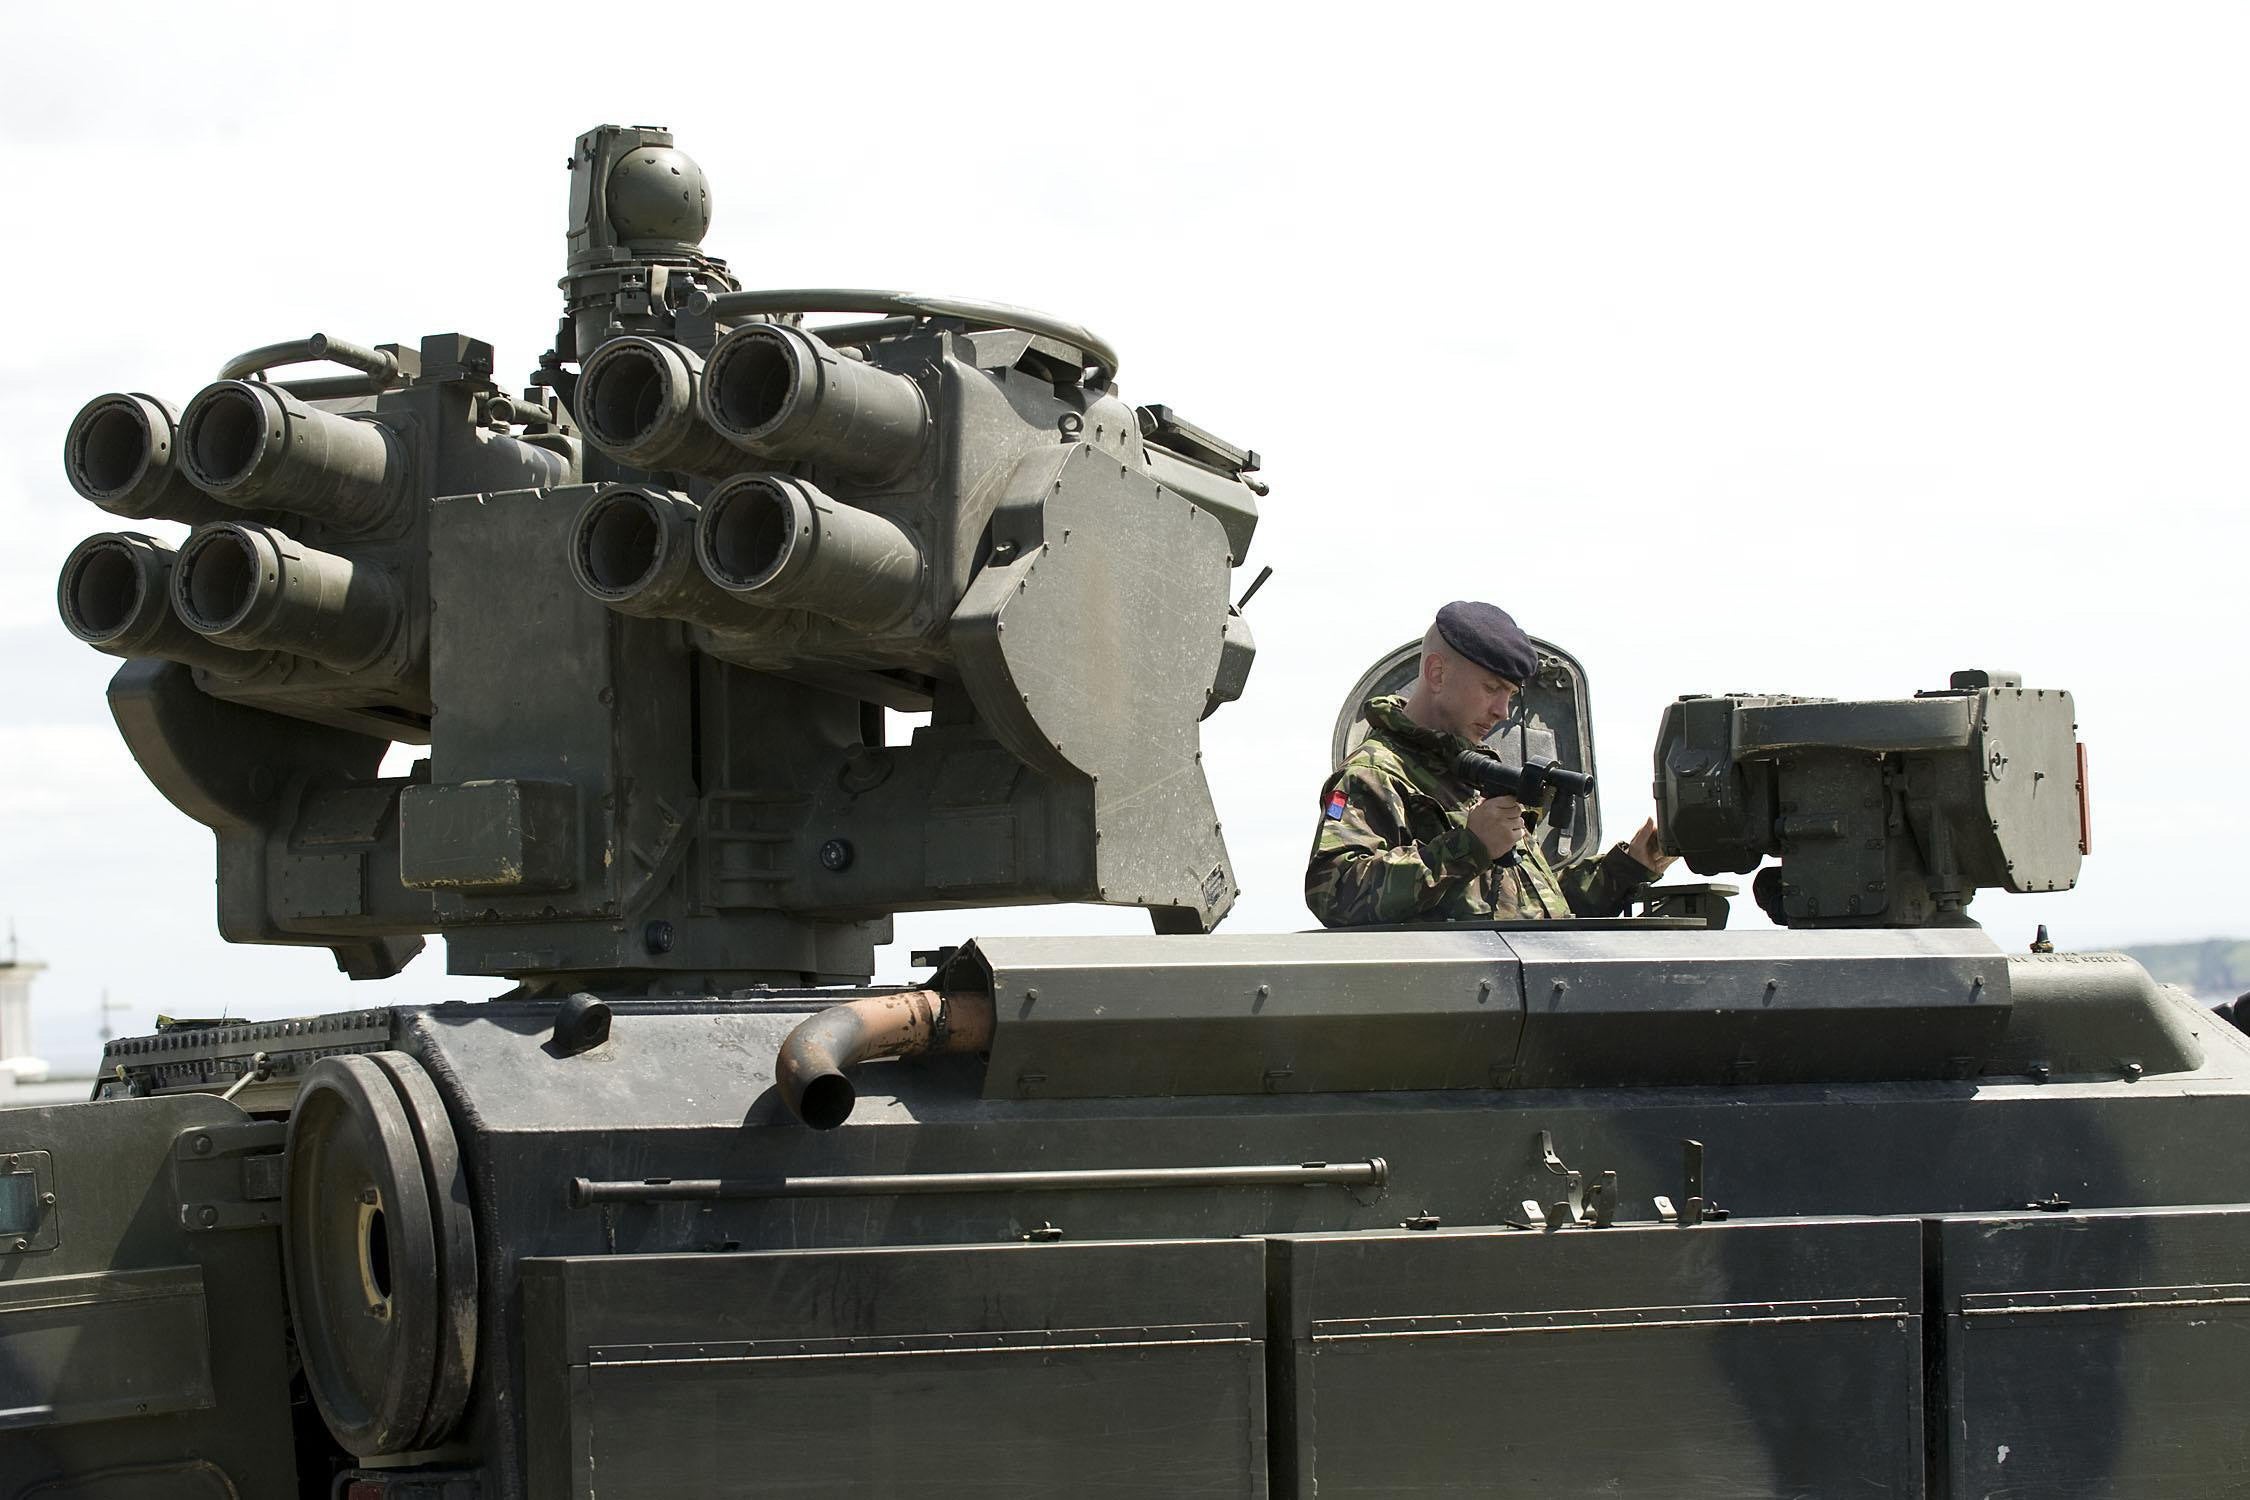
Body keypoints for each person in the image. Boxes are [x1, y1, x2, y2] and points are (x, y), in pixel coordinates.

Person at [1305, 600, 1675, 926]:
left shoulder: (1470, 772)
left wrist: (1629, 867)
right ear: (1437, 673)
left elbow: (1524, 909)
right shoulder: (1374, 773)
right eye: (1491, 688)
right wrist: (1470, 845)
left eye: (1511, 695)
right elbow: (1333, 890)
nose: (1502, 711)